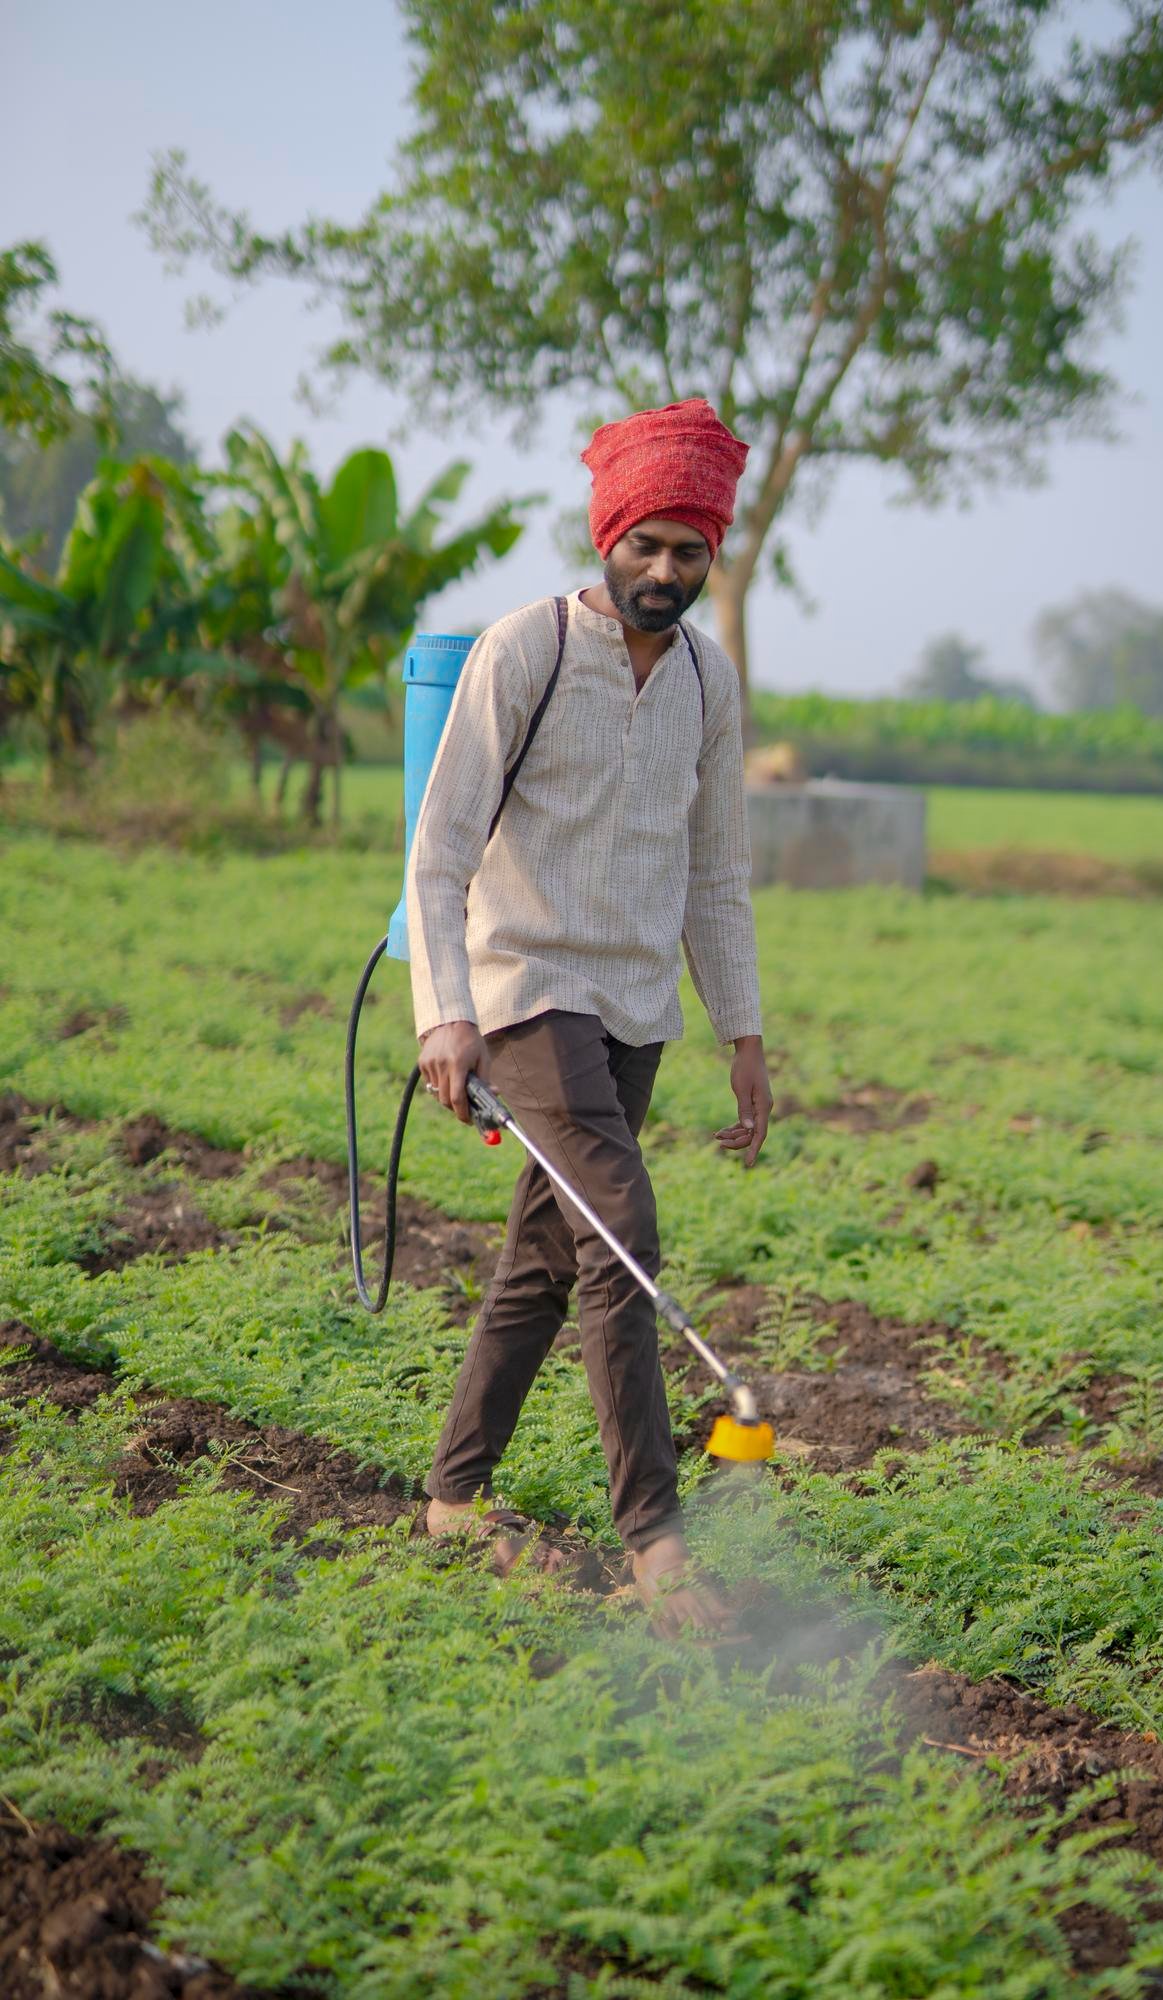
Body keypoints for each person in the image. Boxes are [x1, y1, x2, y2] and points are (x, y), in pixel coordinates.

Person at [407, 398, 771, 1633]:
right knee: (622, 1232)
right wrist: (444, 1016)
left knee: (550, 1259)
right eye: (646, 545)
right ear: (607, 533)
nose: (665, 571)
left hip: (632, 1009)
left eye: (689, 551)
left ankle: (456, 1497)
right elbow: (441, 850)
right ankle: (657, 1542)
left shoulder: (709, 683)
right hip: (525, 991)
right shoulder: (529, 650)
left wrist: (743, 1034)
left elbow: (716, 869)